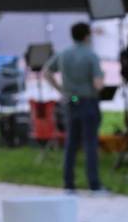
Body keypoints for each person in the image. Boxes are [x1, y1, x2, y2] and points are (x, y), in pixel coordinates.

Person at [44, 22, 107, 193]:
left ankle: (69, 184)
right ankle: (94, 184)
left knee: (71, 143)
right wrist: (102, 81)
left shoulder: (64, 54)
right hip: (88, 101)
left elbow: (47, 72)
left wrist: (61, 90)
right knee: (90, 143)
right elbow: (98, 83)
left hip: (71, 100)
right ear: (87, 35)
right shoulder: (91, 55)